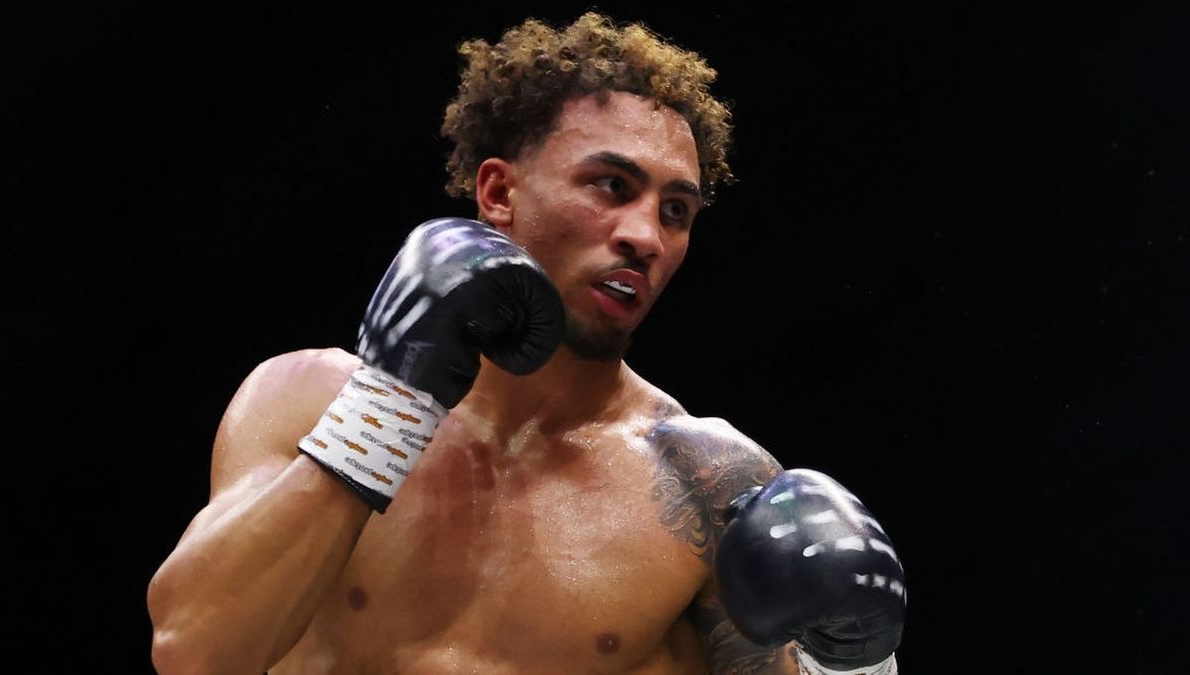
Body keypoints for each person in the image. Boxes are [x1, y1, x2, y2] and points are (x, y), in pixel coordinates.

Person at [147, 13, 905, 674]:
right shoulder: (307, 397)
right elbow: (195, 652)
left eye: (676, 210)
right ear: (499, 193)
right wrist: (388, 407)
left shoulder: (707, 481)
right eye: (612, 185)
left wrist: (857, 662)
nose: (645, 235)